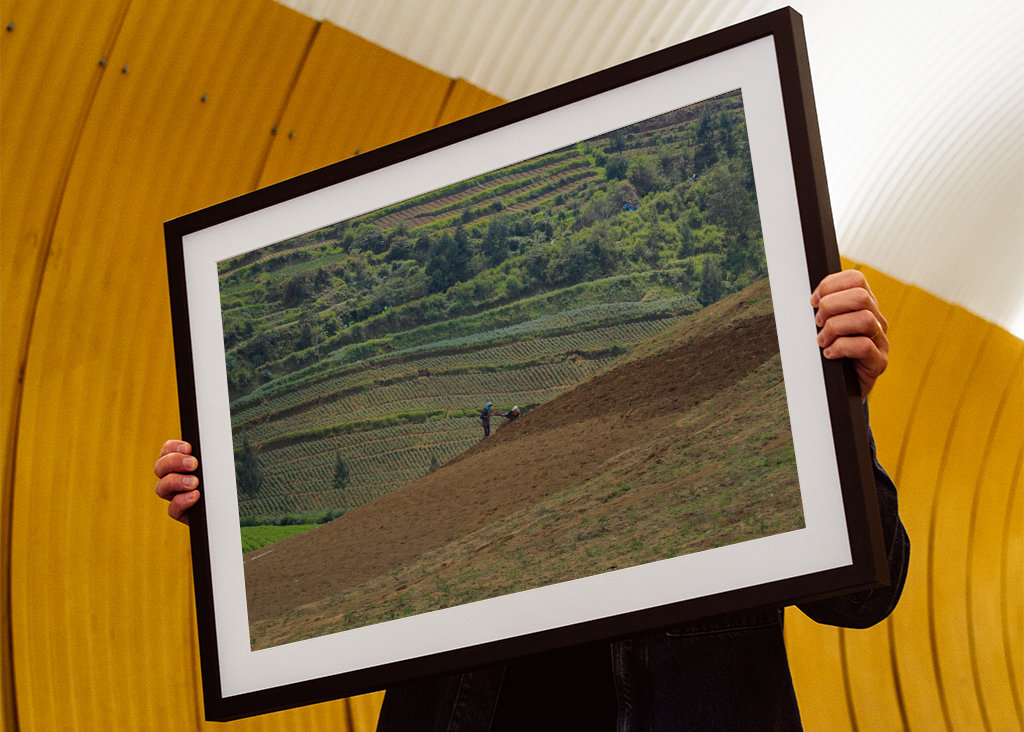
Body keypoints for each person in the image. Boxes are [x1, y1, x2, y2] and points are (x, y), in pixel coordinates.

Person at [154, 270, 908, 730]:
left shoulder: (739, 422)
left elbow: (864, 596)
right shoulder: (475, 476)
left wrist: (836, 405)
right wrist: (226, 511)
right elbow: (359, 564)